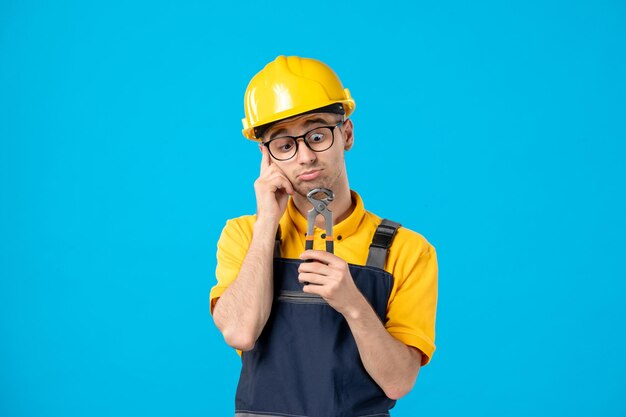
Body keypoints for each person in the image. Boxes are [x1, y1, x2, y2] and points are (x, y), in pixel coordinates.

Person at [210, 55, 438, 417]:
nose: (304, 157)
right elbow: (240, 333)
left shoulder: (406, 250)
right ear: (266, 157)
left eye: (317, 136)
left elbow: (398, 382)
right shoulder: (244, 235)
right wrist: (268, 222)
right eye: (284, 145)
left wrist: (352, 302)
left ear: (346, 134)